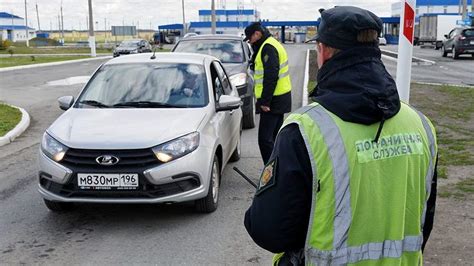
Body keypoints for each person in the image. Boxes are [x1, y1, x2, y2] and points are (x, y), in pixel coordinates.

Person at [244, 6, 438, 266]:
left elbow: (269, 231)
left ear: (323, 51)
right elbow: (424, 220)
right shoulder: (421, 126)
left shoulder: (305, 130)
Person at [244, 22, 292, 165]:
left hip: (273, 101)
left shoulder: (268, 48)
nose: (249, 41)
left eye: (250, 38)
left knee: (265, 140)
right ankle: (278, 171)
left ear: (257, 34)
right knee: (274, 138)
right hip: (279, 98)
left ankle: (271, 173)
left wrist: (265, 102)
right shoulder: (271, 44)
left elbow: (271, 76)